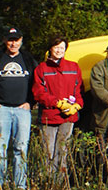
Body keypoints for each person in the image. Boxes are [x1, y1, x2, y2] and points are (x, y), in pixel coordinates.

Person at [0, 27, 38, 190]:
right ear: (4, 41)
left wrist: (31, 101)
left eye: (16, 40)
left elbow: (36, 83)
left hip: (22, 110)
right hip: (1, 109)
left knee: (21, 149)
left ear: (21, 41)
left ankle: (20, 186)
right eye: (10, 40)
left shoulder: (28, 59)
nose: (13, 43)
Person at [33, 36, 84, 179]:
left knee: (63, 151)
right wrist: (57, 103)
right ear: (50, 48)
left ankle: (60, 184)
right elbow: (39, 93)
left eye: (62, 47)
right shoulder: (41, 69)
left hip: (68, 117)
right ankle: (47, 183)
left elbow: (79, 90)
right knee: (48, 152)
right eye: (56, 47)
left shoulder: (73, 67)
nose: (59, 50)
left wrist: (77, 105)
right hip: (49, 116)